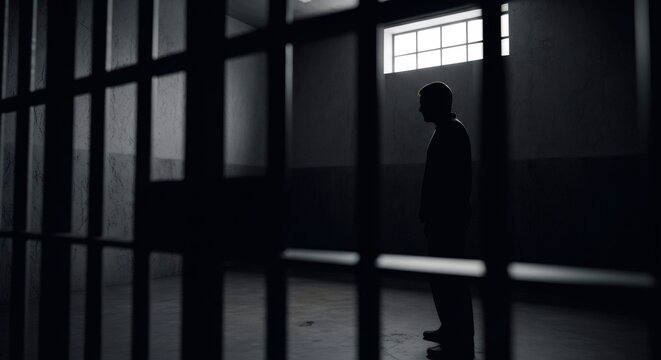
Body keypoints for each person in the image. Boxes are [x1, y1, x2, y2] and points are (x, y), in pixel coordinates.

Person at [418, 82, 474, 359]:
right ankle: (450, 328)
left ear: (438, 104)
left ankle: (458, 341)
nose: (420, 109)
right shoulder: (448, 131)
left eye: (424, 103)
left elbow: (450, 184)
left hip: (447, 220)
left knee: (450, 280)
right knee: (444, 279)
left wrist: (438, 217)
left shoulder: (451, 132)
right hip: (445, 219)